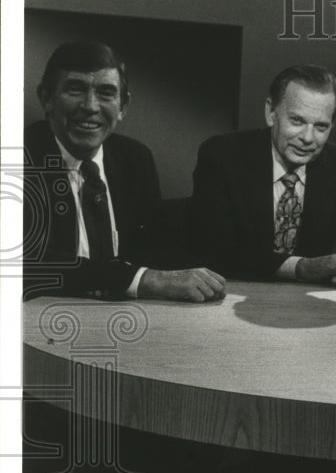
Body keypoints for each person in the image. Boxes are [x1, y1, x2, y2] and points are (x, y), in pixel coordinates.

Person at [23, 41, 225, 302]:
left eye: (106, 93)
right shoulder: (18, 157)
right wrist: (142, 280)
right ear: (46, 99)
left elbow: (155, 252)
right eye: (75, 90)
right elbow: (28, 264)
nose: (90, 106)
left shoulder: (135, 159)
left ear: (123, 107)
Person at [191, 64, 336, 284]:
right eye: (297, 121)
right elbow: (215, 250)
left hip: (309, 300)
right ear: (271, 112)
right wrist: (301, 267)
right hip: (235, 292)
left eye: (321, 127)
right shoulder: (222, 155)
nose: (308, 138)